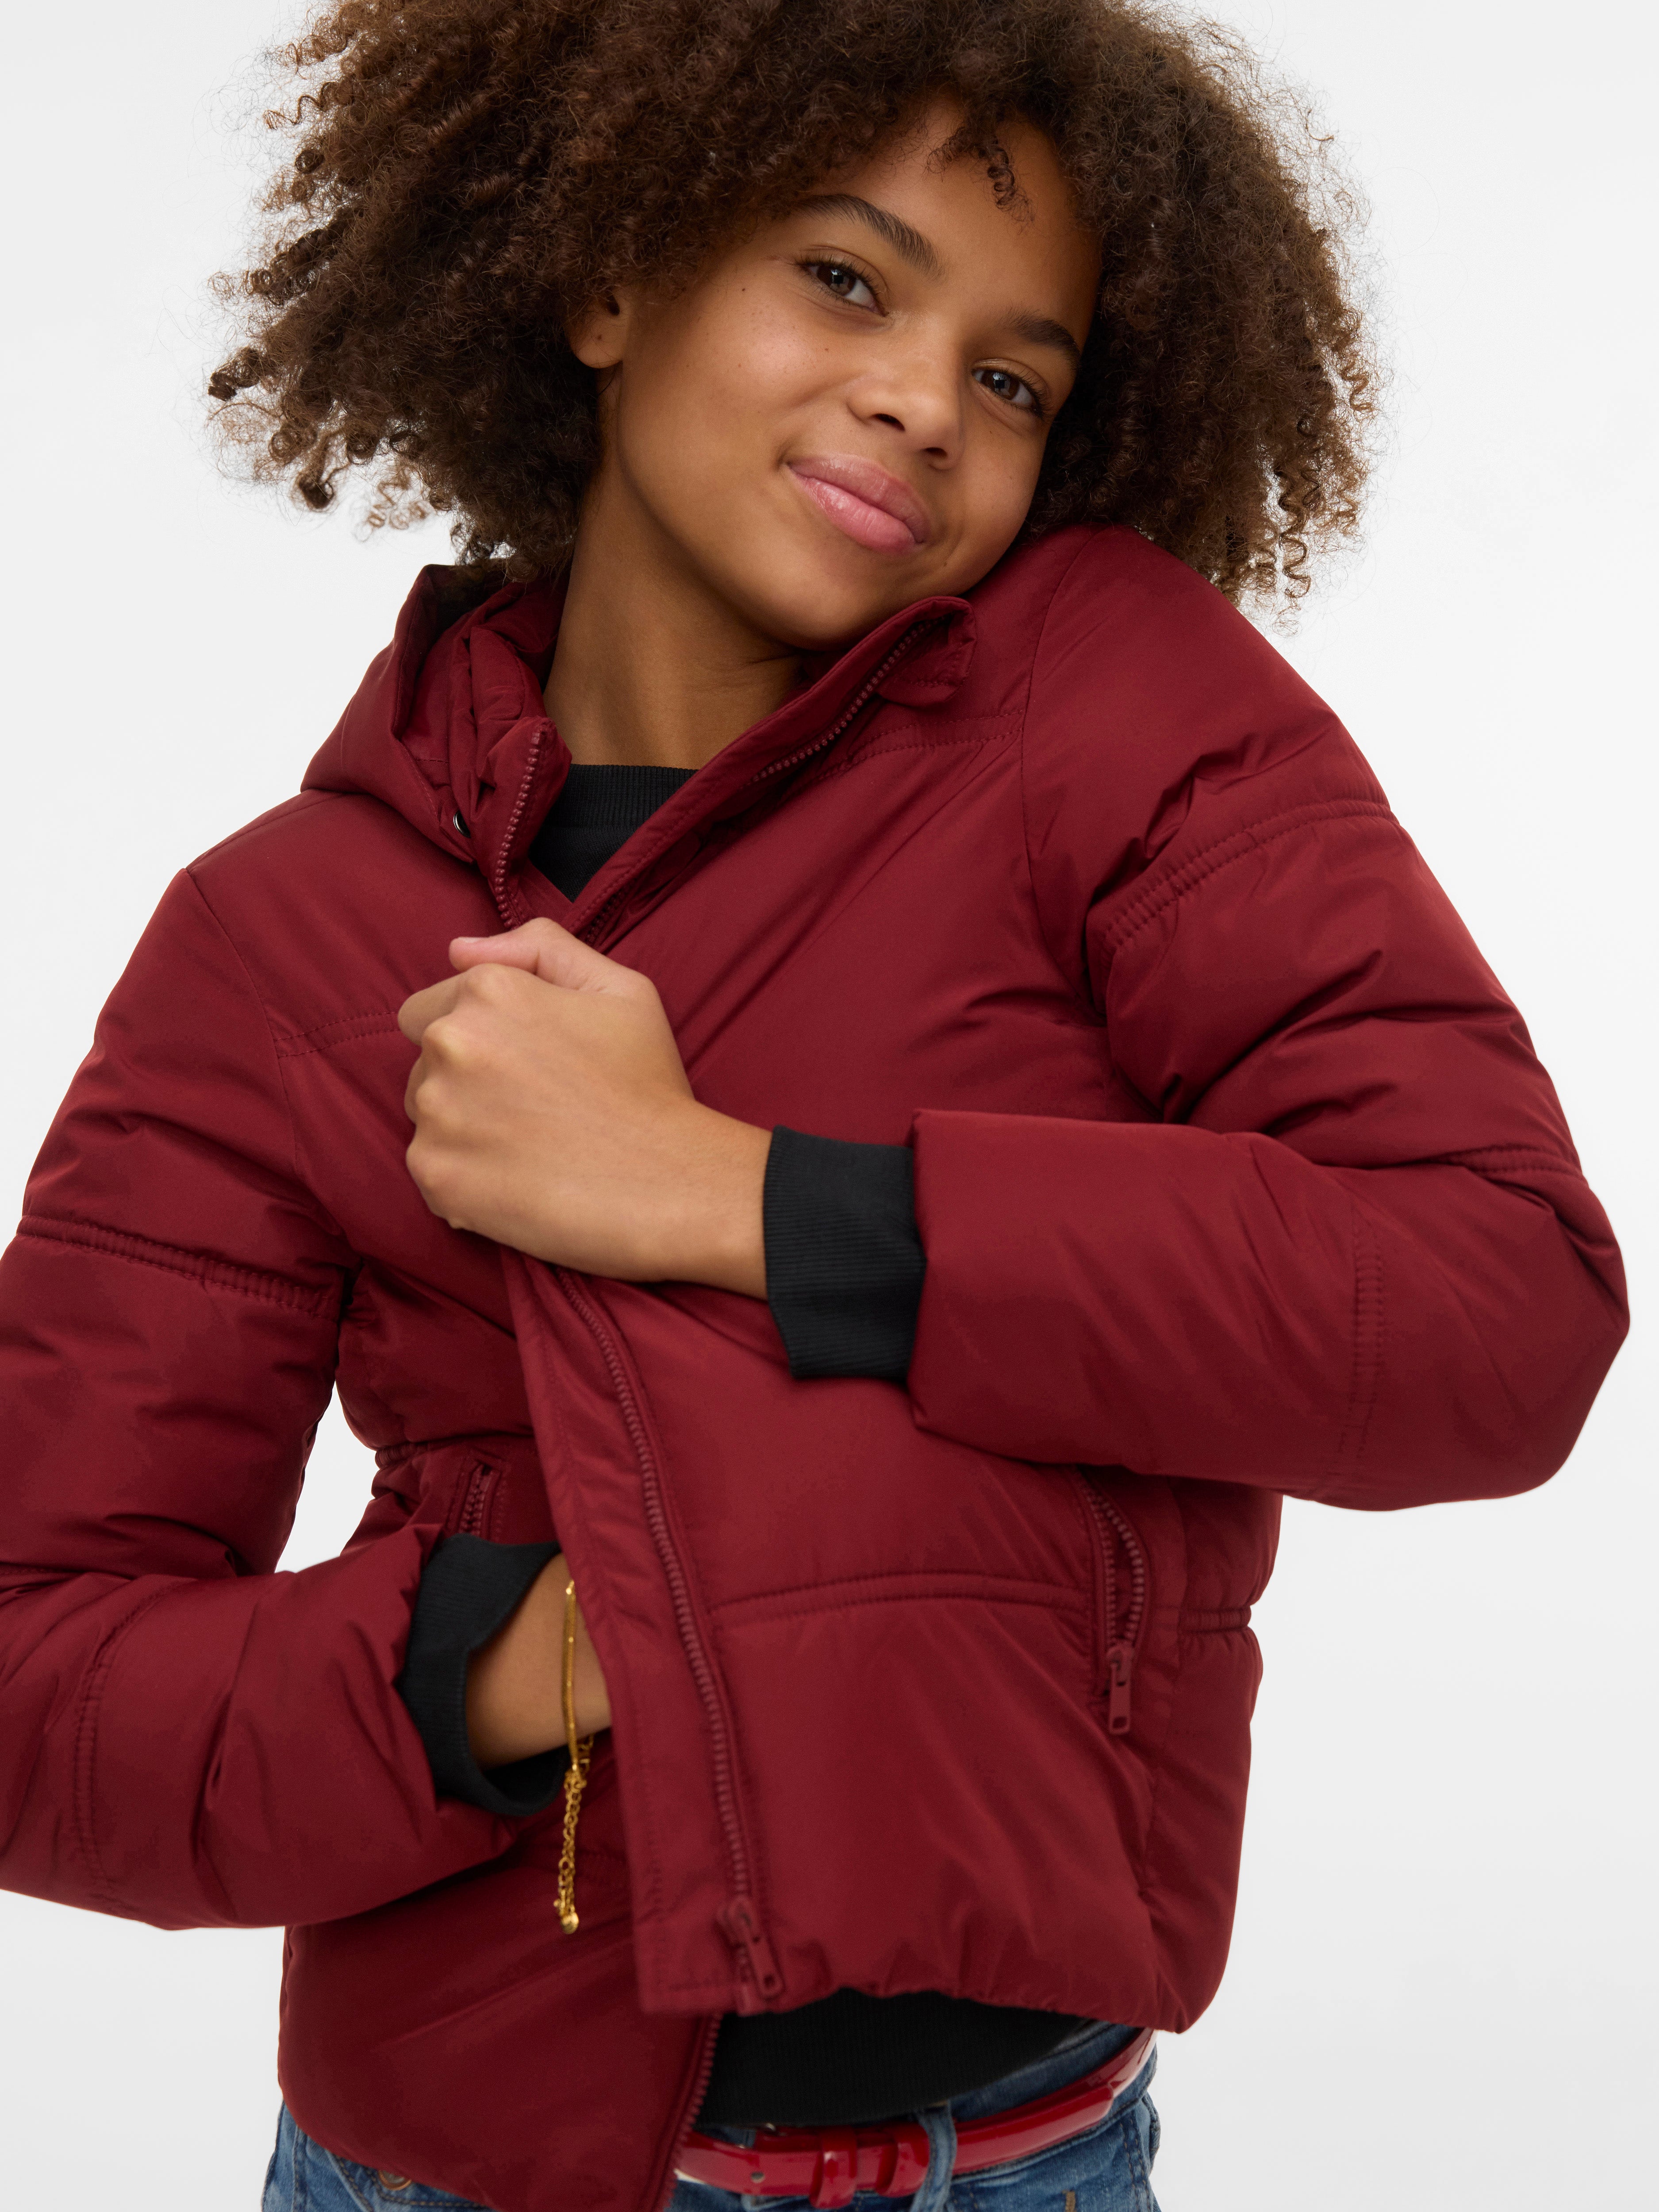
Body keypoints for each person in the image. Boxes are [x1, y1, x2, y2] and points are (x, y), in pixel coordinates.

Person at [0, 1, 1627, 2208]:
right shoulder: (278, 937)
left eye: (1013, 378)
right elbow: (34, 1674)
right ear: (610, 275)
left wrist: (735, 1194)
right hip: (467, 2170)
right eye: (845, 278)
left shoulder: (1106, 713)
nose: (920, 401)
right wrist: (519, 1660)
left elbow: (1492, 1302)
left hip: (1021, 2155)